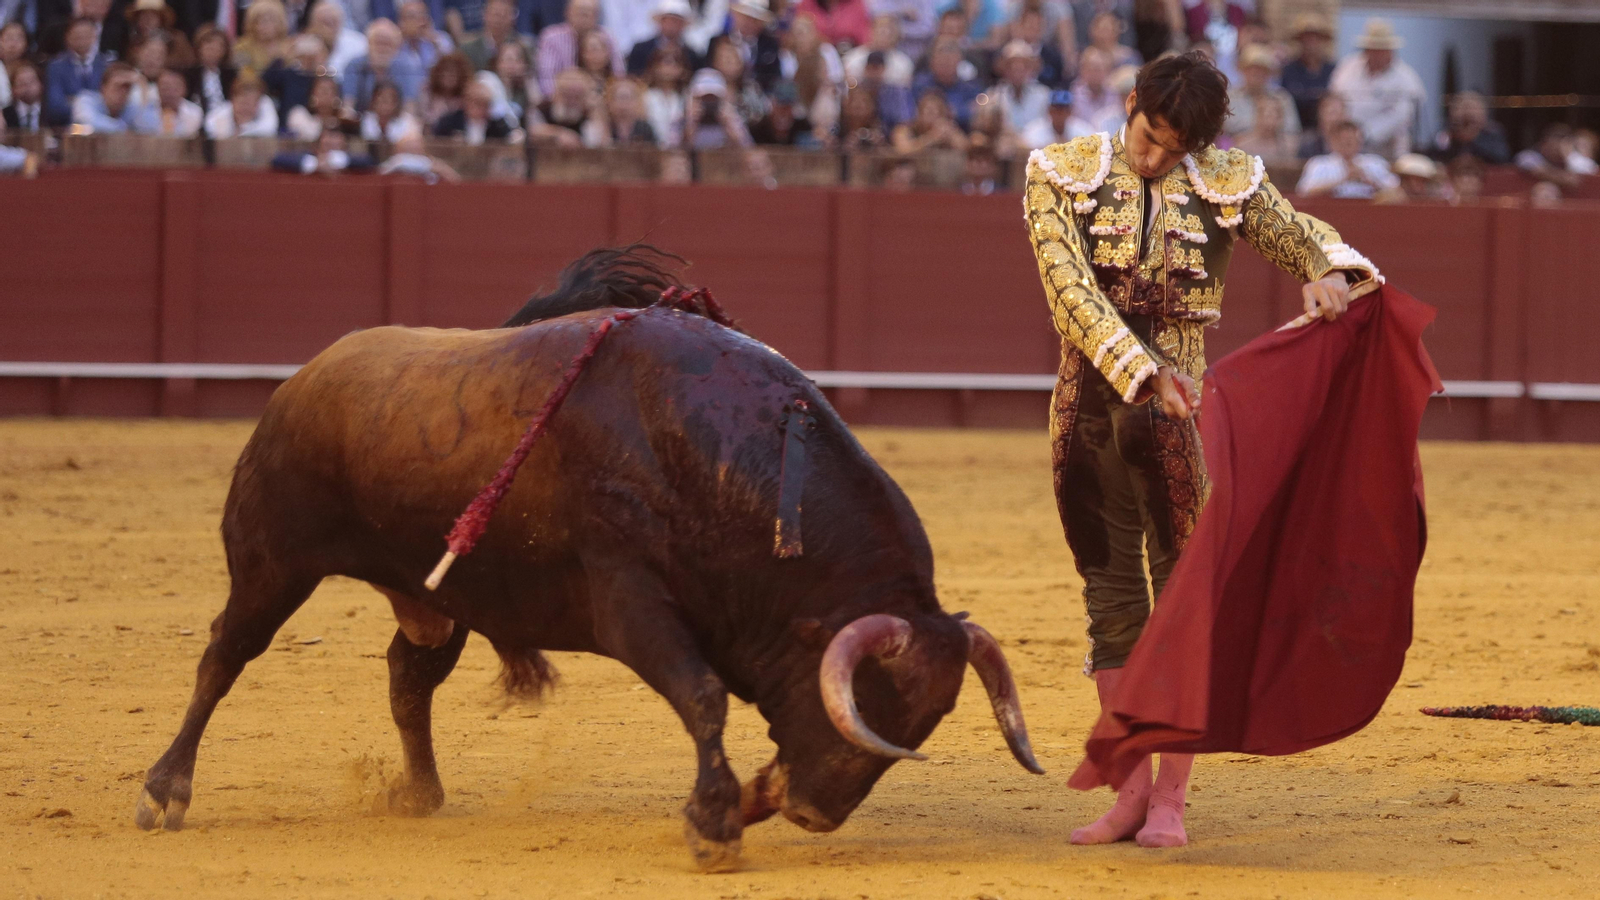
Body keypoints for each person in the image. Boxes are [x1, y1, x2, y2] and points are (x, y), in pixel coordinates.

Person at [1021, 50, 1381, 849]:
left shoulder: (1225, 177)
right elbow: (1067, 288)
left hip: (1181, 409)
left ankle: (1172, 800)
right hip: (1086, 404)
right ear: (1130, 103)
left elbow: (1297, 233)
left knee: (1184, 595)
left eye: (1175, 151)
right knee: (1111, 601)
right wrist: (1141, 371)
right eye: (1150, 137)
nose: (1155, 159)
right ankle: (1127, 795)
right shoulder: (1058, 170)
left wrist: (1326, 269)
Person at [1328, 18, 1423, 159]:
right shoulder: (1347, 68)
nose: (1377, 54)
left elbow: (1402, 116)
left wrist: (1365, 134)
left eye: (1382, 49)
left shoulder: (1406, 78)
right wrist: (1348, 131)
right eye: (1373, 48)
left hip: (1387, 145)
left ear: (1391, 51)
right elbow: (1334, 99)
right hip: (1347, 135)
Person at [535, 0, 621, 97]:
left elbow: (619, 75)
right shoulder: (551, 37)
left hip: (604, 98)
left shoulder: (607, 36)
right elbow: (547, 78)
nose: (585, 15)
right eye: (581, 11)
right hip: (563, 100)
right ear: (567, 12)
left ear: (597, 15)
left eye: (590, 12)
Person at [1296, 119, 1399, 199]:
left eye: (1351, 141)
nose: (1347, 145)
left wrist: (1369, 181)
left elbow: (1397, 190)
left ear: (1360, 141)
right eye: (1342, 141)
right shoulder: (1319, 164)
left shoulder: (1374, 163)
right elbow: (1304, 192)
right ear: (1332, 142)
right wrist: (1343, 180)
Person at [44, 16, 114, 125]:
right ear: (67, 37)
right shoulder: (56, 66)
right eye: (77, 35)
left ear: (94, 36)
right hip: (66, 129)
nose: (81, 40)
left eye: (86, 35)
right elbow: (55, 107)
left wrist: (73, 100)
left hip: (102, 129)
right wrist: (95, 103)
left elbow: (112, 105)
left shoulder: (107, 65)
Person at [344, 18, 425, 110]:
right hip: (361, 118)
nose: (382, 48)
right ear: (369, 44)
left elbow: (409, 105)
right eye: (378, 43)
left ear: (396, 47)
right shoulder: (354, 65)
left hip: (396, 121)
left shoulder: (406, 67)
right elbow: (348, 104)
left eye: (387, 44)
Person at [1224, 43, 1297, 141]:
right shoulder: (1229, 98)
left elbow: (1292, 131)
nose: (1256, 73)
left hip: (1276, 152)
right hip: (1235, 151)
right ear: (1242, 70)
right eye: (1251, 68)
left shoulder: (1282, 98)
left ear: (1270, 73)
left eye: (1262, 69)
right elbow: (1222, 131)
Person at [1278, 12, 1333, 132]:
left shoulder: (1333, 70)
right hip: (1294, 130)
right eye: (1306, 38)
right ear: (1300, 41)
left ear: (1322, 40)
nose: (1311, 42)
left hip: (1325, 131)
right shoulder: (1289, 70)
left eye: (1315, 38)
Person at [909, 38, 979, 129]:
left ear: (959, 62)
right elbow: (912, 113)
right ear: (931, 62)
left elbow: (976, 111)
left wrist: (954, 113)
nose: (946, 65)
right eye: (941, 61)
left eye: (950, 62)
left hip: (961, 132)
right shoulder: (918, 85)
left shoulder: (970, 88)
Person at [711, 0, 780, 92]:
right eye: (746, 17)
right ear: (736, 16)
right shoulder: (717, 41)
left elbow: (774, 77)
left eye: (755, 20)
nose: (750, 23)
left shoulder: (770, 45)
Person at [1429, 91, 1509, 166]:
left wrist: (1473, 139)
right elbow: (1434, 157)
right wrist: (1456, 137)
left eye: (1472, 108)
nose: (1467, 113)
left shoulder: (1492, 133)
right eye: (1462, 107)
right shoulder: (1445, 133)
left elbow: (1502, 159)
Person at [434, 76, 522, 141]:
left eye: (486, 105)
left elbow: (509, 138)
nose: (483, 109)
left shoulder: (496, 125)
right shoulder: (450, 122)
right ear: (467, 102)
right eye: (479, 104)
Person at [627, 0, 702, 75]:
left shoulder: (692, 55)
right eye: (667, 20)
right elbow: (633, 77)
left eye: (676, 21)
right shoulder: (640, 50)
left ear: (683, 25)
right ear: (660, 22)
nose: (671, 25)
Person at [73, 61, 153, 132]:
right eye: (117, 86)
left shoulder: (129, 108)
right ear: (103, 87)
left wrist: (143, 86)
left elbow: (151, 127)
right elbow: (88, 122)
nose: (122, 92)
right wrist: (124, 129)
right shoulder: (85, 100)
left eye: (127, 88)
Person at [682, 66, 750, 149]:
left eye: (713, 98)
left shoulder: (732, 120)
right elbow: (672, 153)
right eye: (704, 98)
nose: (708, 103)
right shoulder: (682, 119)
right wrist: (690, 124)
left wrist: (729, 125)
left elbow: (748, 151)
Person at [527, 64, 597, 142]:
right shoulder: (542, 109)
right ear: (557, 94)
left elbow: (600, 141)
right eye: (567, 95)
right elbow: (532, 130)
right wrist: (559, 134)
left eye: (577, 97)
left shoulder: (589, 112)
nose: (572, 101)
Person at [993, 39, 1048, 133]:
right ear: (1004, 70)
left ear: (1030, 69)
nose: (1017, 72)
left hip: (1038, 144)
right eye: (1012, 67)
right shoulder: (994, 96)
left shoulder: (1044, 95)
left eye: (1023, 67)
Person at [1514, 123, 1585, 195]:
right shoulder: (1529, 155)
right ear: (1544, 143)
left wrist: (1570, 158)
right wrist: (1563, 178)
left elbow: (1588, 170)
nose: (1557, 149)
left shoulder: (1572, 159)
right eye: (1554, 145)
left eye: (1561, 146)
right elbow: (1537, 170)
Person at [843, 14, 912, 88]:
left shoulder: (903, 63)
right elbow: (848, 89)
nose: (885, 33)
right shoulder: (852, 59)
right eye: (881, 28)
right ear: (870, 30)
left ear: (897, 33)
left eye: (889, 29)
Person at [1228, 92, 1295, 168]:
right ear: (1256, 115)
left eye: (1275, 115)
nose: (1269, 120)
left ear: (1281, 118)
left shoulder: (1288, 147)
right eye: (1266, 114)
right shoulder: (1240, 144)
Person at [185, 25, 237, 119]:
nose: (213, 49)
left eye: (219, 46)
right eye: (209, 44)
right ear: (199, 47)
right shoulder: (188, 74)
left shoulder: (231, 75)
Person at [459, 0, 529, 70]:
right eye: (495, 14)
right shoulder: (468, 49)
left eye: (503, 15)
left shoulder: (523, 47)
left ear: (513, 18)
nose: (498, 20)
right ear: (484, 15)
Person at [270, 126, 377, 172]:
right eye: (328, 137)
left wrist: (336, 160)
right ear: (317, 146)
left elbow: (368, 161)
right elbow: (277, 160)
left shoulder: (353, 162)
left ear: (344, 145)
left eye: (335, 137)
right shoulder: (308, 158)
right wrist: (314, 164)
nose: (331, 141)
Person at [205, 70, 279, 136]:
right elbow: (209, 123)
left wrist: (242, 129)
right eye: (243, 103)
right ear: (232, 101)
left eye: (250, 104)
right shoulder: (221, 114)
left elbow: (270, 128)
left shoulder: (266, 104)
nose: (245, 108)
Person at [306, 0, 369, 77]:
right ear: (313, 24)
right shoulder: (304, 46)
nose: (330, 28)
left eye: (334, 22)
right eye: (326, 23)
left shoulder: (359, 44)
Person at [891, 88, 964, 153]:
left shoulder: (947, 130)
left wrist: (952, 135)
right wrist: (931, 138)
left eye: (938, 113)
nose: (934, 117)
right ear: (919, 114)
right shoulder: (904, 129)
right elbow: (902, 150)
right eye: (930, 112)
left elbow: (966, 148)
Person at [124, 0, 194, 68]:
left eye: (152, 16)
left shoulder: (177, 39)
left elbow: (189, 62)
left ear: (161, 19)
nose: (147, 20)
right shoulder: (133, 42)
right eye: (142, 16)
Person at [479, 39, 537, 121]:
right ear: (497, 62)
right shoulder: (487, 79)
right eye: (508, 59)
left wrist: (528, 80)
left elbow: (536, 106)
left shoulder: (521, 90)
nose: (513, 64)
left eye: (518, 60)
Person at [589, 75, 656, 145]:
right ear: (610, 101)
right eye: (620, 98)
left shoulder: (644, 127)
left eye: (628, 98)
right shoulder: (603, 125)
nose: (624, 104)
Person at [642, 43, 687, 147]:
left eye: (674, 64)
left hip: (679, 149)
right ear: (654, 67)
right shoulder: (646, 96)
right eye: (664, 63)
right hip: (652, 148)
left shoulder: (686, 96)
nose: (668, 68)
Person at [749, 77, 815, 146]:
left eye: (788, 107)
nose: (783, 111)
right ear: (772, 104)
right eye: (780, 106)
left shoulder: (803, 128)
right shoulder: (758, 130)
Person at [1021, 87, 1093, 150]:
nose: (1059, 114)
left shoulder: (1083, 129)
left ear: (1070, 112)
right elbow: (1026, 149)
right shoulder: (1034, 129)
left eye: (1063, 110)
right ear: (1049, 111)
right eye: (1055, 110)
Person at [232, 0, 291, 75]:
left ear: (280, 22)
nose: (262, 27)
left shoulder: (289, 47)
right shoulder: (241, 47)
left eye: (268, 21)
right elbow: (244, 76)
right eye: (257, 21)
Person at [138, 66, 203, 135]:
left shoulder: (195, 113)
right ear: (157, 88)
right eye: (165, 87)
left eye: (174, 88)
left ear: (184, 89)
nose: (169, 92)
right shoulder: (143, 112)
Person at [285, 73, 352, 138]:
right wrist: (325, 124)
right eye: (321, 90)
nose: (325, 95)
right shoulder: (298, 114)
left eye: (330, 90)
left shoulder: (345, 117)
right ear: (311, 94)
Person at [397, 0, 455, 74]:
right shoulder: (396, 44)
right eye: (412, 17)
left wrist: (433, 40)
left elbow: (451, 67)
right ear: (401, 22)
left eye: (423, 15)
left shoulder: (441, 39)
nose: (420, 21)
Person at [422, 51, 473, 130]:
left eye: (453, 73)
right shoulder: (428, 92)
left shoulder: (466, 97)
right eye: (444, 71)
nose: (448, 76)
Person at [1068, 46, 1117, 129]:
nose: (1094, 74)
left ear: (1108, 71)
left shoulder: (1116, 95)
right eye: (1091, 69)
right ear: (1082, 70)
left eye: (1098, 69)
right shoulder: (1072, 95)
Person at [828, 84, 884, 151]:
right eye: (853, 100)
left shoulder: (880, 130)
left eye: (864, 101)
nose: (858, 105)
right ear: (844, 107)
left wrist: (879, 146)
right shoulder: (835, 131)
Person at [792, 0, 870, 48]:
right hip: (814, 55)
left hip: (850, 54)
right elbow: (799, 34)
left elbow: (864, 38)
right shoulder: (806, 4)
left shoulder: (855, 3)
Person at [3, 61, 44, 133]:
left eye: (31, 81)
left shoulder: (51, 111)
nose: (27, 87)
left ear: (41, 84)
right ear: (13, 88)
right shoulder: (5, 114)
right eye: (21, 83)